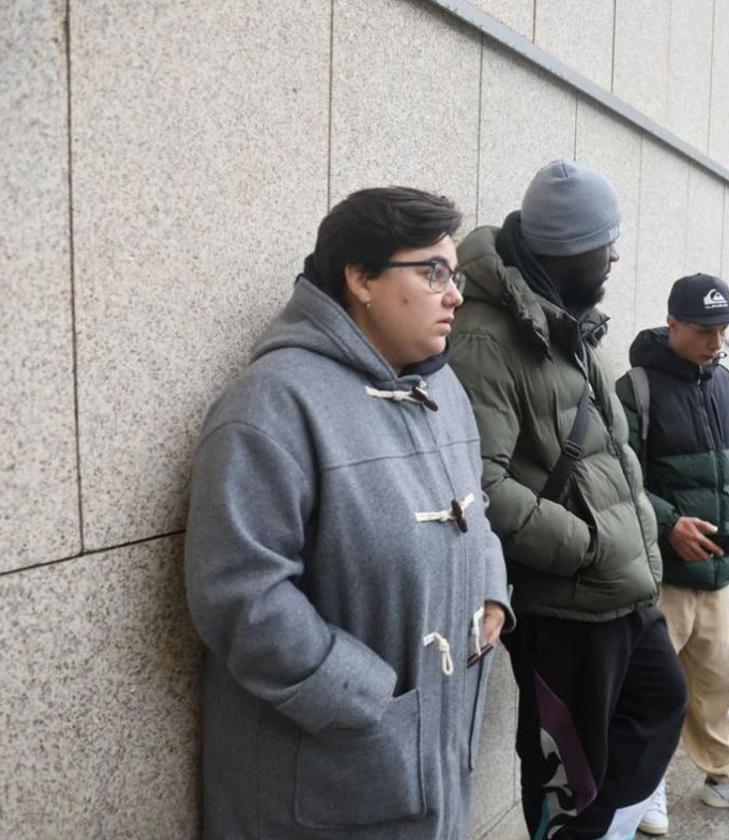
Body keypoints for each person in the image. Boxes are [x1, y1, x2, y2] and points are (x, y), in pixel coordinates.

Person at [183, 188, 513, 839]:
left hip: (437, 754)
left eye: (457, 276)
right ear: (360, 278)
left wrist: (493, 592)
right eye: (433, 272)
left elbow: (477, 507)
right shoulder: (272, 406)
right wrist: (366, 694)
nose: (455, 296)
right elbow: (239, 594)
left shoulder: (441, 388)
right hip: (331, 771)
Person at [449, 159, 687, 840]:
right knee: (567, 775)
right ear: (565, 248)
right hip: (567, 601)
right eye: (603, 243)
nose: (615, 255)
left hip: (622, 590)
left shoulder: (566, 319)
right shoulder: (486, 337)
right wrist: (587, 546)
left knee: (660, 704)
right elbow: (479, 485)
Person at [617, 275, 729, 836]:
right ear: (672, 324)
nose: (716, 342)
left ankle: (724, 776)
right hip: (665, 572)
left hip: (719, 570)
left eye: (723, 331)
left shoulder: (725, 386)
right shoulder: (635, 387)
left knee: (716, 685)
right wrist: (669, 523)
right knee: (654, 688)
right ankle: (646, 787)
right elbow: (619, 478)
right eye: (704, 330)